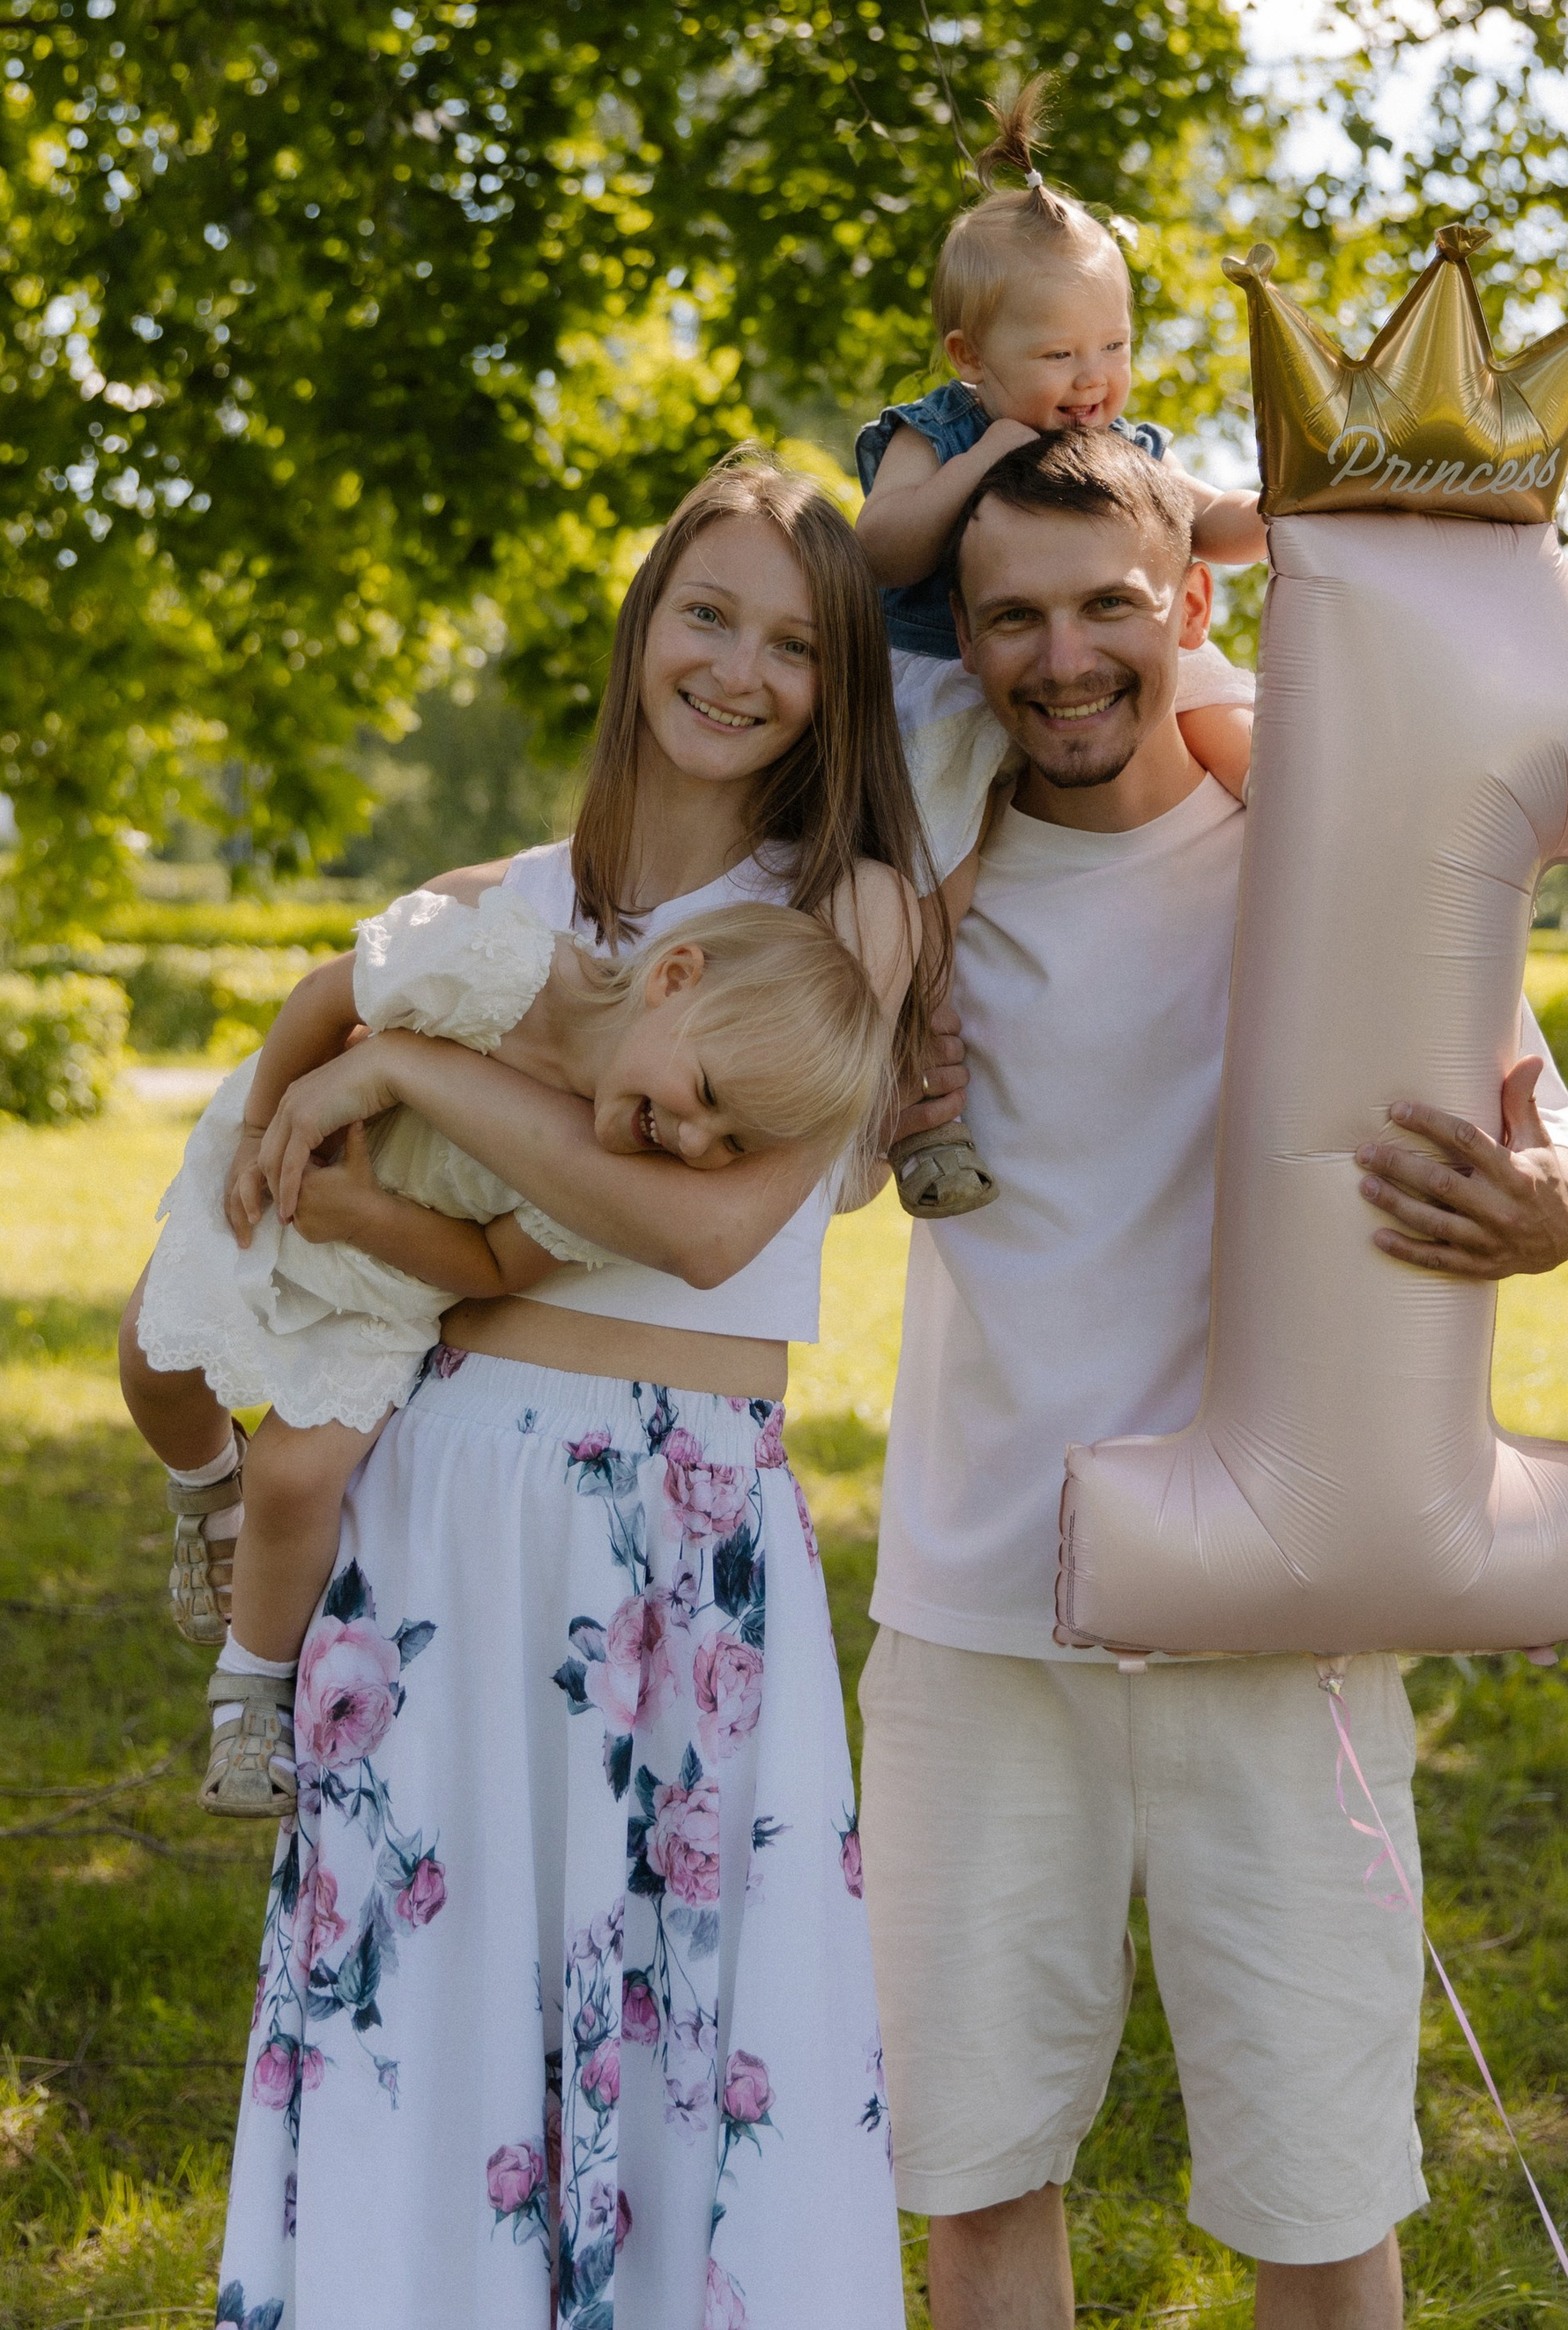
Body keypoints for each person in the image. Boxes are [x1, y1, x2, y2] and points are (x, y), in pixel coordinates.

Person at [858, 428, 1568, 2330]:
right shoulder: (903, 899)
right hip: (975, 1611)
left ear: (1192, 602)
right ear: (967, 640)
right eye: (1010, 617)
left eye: (1108, 603)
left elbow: (1530, 1114)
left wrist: (1543, 1204)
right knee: (974, 2175)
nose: (1062, 655)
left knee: (1317, 2188)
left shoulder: (1332, 843)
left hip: (1285, 1621)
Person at [193, 453, 927, 2330]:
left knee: (690, 2015)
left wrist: (421, 1083)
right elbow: (321, 1107)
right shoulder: (494, 902)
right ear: (642, 623)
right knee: (427, 2001)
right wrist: (320, 1127)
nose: (738, 670)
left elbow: (696, 1230)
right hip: (447, 1491)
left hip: (682, 1508)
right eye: (708, 615)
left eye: (793, 645)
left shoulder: (840, 920)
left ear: (837, 690)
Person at [121, 888, 889, 1813]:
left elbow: (486, 1264)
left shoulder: (620, 1187)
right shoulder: (507, 974)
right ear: (674, 979)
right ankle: (208, 1494)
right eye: (711, 1098)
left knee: (294, 1476)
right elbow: (328, 997)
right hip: (288, 1163)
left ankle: (250, 1693)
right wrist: (260, 1131)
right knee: (152, 1362)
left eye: (732, 1146)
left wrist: (367, 1220)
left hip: (391, 1281)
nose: (693, 1140)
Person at [854, 79, 1265, 1215]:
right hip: (952, 683)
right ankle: (924, 1104)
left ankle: (1304, 849)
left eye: (1112, 347)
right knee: (932, 894)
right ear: (969, 355)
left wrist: (1293, 510)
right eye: (1056, 356)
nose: (1091, 381)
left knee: (1226, 707)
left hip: (1093, 669)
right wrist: (983, 454)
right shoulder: (932, 432)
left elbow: (1211, 523)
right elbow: (884, 550)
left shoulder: (1115, 442)